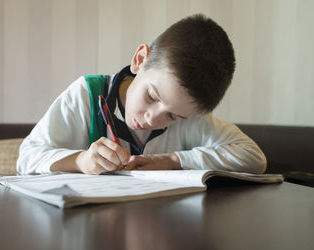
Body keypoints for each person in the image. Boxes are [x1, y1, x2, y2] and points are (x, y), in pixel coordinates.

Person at [17, 14, 267, 175]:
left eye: (172, 116)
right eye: (153, 97)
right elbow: (26, 158)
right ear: (139, 60)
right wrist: (80, 161)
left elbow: (253, 157)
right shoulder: (87, 95)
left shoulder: (189, 115)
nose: (152, 119)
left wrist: (173, 160)